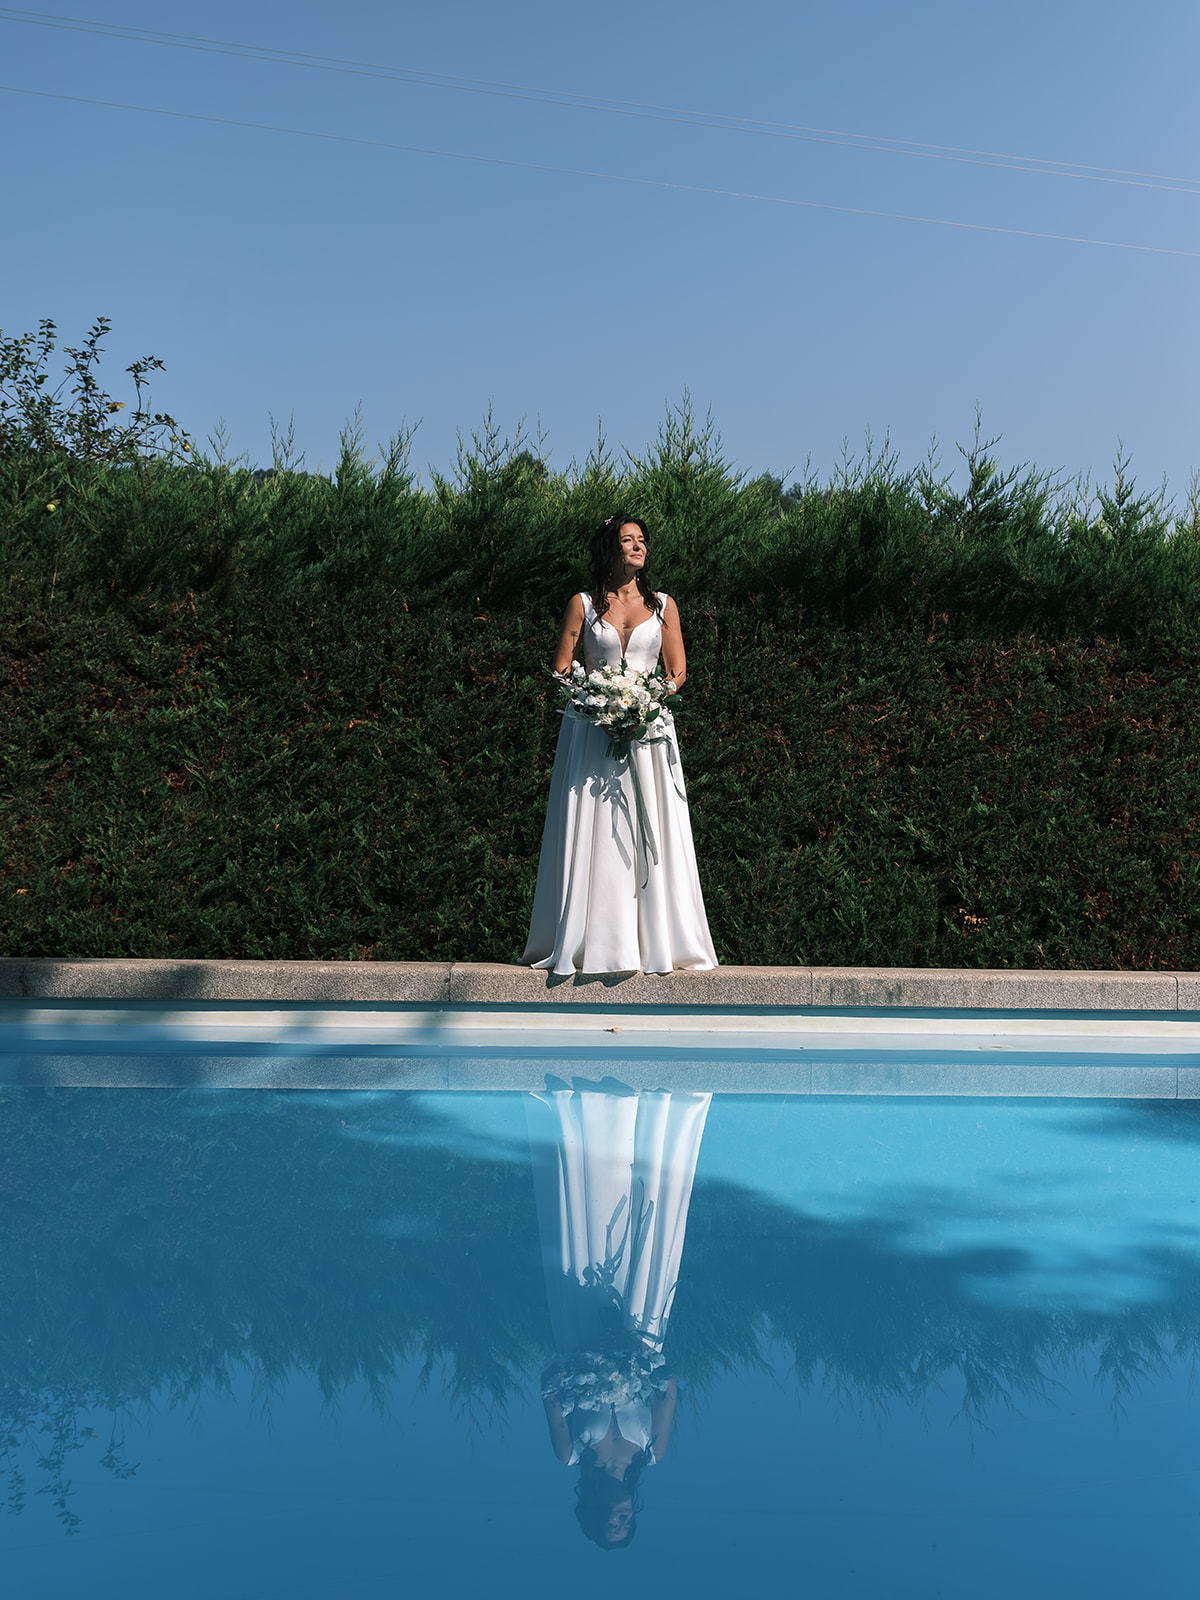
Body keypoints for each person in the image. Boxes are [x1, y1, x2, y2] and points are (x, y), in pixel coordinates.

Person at [520, 514, 717, 975]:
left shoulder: (664, 605)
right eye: (627, 540)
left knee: (650, 828)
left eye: (641, 540)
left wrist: (645, 700)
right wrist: (598, 700)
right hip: (592, 731)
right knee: (596, 828)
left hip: (648, 731)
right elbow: (562, 668)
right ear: (609, 549)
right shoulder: (584, 605)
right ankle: (591, 941)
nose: (638, 546)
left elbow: (678, 671)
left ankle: (658, 943)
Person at [528, 1081, 710, 1548]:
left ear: (593, 1513)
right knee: (650, 1244)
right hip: (642, 1334)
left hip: (579, 1332)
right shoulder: (652, 1452)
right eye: (627, 1523)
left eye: (613, 1524)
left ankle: (585, 1117)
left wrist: (579, 1365)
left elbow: (548, 1392)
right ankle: (662, 1112)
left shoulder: (571, 1454)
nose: (622, 1518)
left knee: (587, 1240)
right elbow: (668, 1390)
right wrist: (639, 1361)